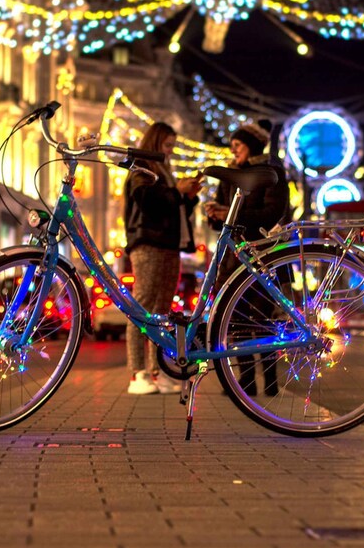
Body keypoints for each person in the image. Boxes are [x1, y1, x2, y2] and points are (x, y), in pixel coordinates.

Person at [205, 121, 290, 397]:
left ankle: (270, 381)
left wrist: (232, 216)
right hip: (233, 258)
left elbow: (272, 213)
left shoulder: (272, 172)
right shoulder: (232, 174)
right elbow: (221, 222)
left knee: (263, 319)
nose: (234, 150)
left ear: (251, 145)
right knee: (236, 321)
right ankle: (246, 382)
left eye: (238, 145)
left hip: (263, 254)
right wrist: (215, 215)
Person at [124, 122, 203, 395]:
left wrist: (188, 197)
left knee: (161, 310)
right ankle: (138, 374)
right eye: (167, 144)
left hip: (169, 243)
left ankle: (157, 371)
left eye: (172, 145)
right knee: (142, 306)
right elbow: (145, 199)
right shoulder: (142, 167)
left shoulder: (165, 171)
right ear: (155, 142)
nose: (170, 151)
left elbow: (169, 206)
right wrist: (177, 192)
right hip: (148, 242)